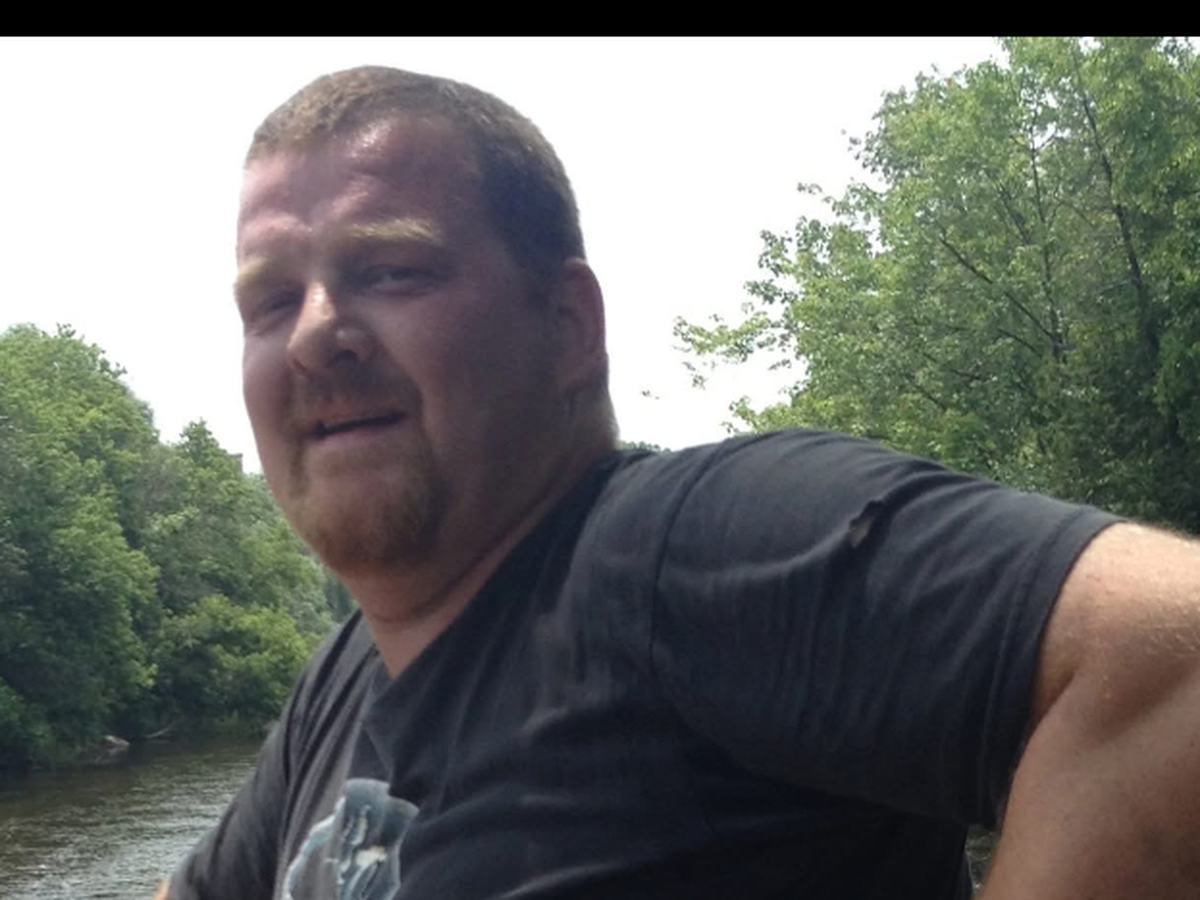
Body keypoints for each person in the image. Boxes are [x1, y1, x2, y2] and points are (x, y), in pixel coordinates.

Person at [161, 65, 1200, 900]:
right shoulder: (341, 686)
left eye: (392, 270)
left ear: (567, 326)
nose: (316, 336)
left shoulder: (678, 550)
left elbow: (1177, 656)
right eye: (269, 302)